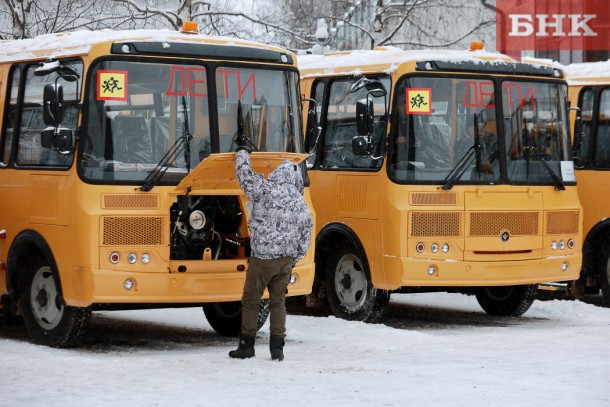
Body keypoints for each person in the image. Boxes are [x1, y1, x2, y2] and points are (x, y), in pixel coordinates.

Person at [229, 144, 313, 361]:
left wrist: (242, 153)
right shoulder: (299, 202)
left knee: (251, 301)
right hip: (285, 261)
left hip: (262, 260)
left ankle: (246, 346)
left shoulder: (264, 189)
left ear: (277, 174)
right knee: (278, 303)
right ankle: (277, 348)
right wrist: (295, 258)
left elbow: (244, 175)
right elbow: (307, 231)